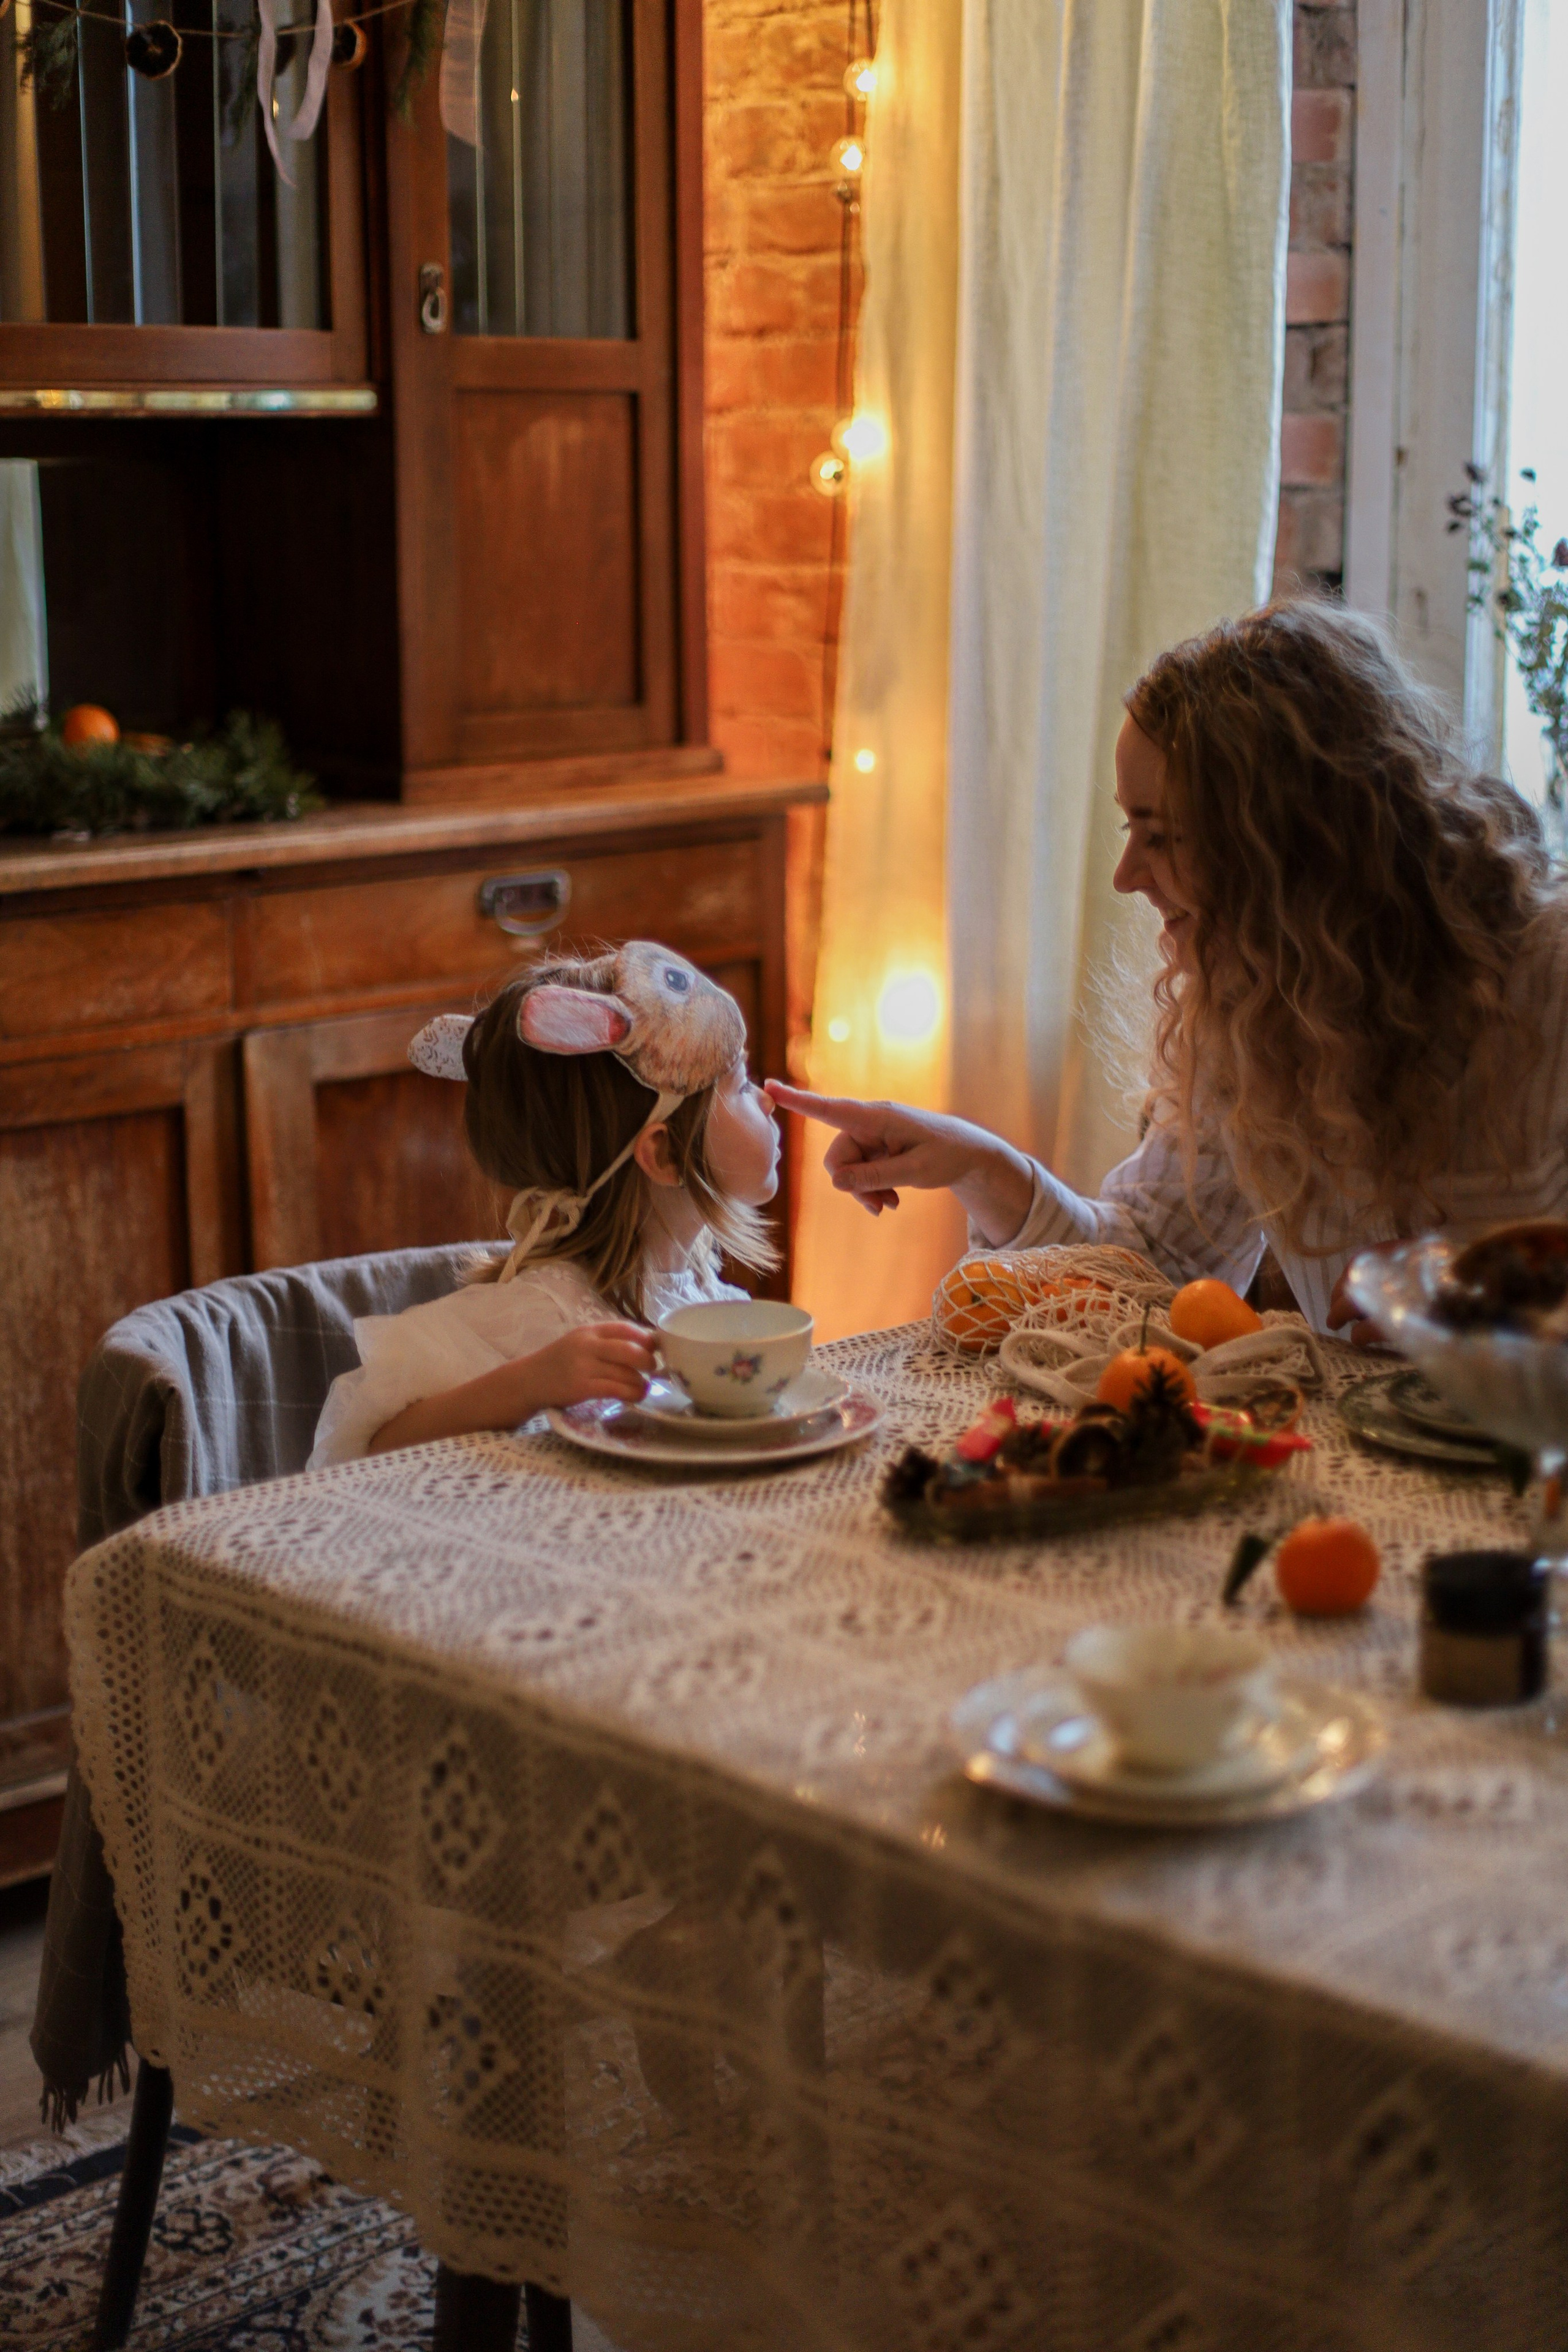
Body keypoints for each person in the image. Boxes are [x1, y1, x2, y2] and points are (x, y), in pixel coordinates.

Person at [770, 599, 1568, 1341]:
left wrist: (1477, 1289)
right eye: (1131, 830)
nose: (1127, 876)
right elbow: (1155, 1267)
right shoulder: (1258, 1011)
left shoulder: (1548, 976)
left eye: (1162, 835)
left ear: (1284, 844)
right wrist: (980, 1164)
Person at [310, 943, 781, 1464]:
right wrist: (528, 1384)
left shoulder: (706, 1298)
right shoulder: (542, 1313)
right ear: (664, 1155)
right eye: (742, 1086)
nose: (769, 1098)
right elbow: (369, 1452)